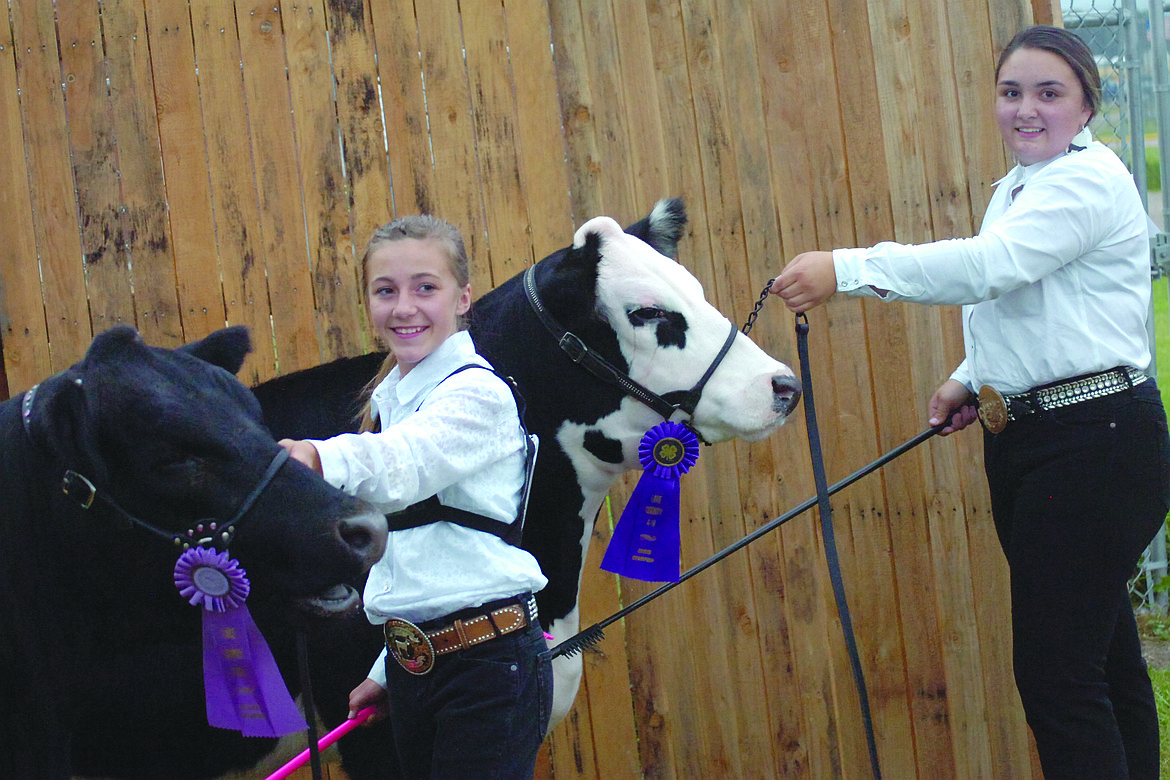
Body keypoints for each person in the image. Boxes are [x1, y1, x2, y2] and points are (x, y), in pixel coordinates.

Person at [772, 25, 1170, 780]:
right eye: (1011, 92)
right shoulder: (1026, 183)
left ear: (1087, 105)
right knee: (1101, 662)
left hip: (1095, 443)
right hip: (1044, 440)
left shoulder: (1084, 180)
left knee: (1059, 678)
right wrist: (971, 374)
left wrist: (847, 268)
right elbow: (1040, 302)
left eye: (1049, 93)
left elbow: (994, 268)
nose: (1026, 109)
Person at [279, 215, 552, 778]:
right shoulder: (391, 403)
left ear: (463, 298)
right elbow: (420, 556)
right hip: (416, 670)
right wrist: (390, 669)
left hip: (489, 669)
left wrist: (318, 455)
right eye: (386, 291)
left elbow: (406, 466)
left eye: (425, 287)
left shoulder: (478, 393)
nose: (404, 307)